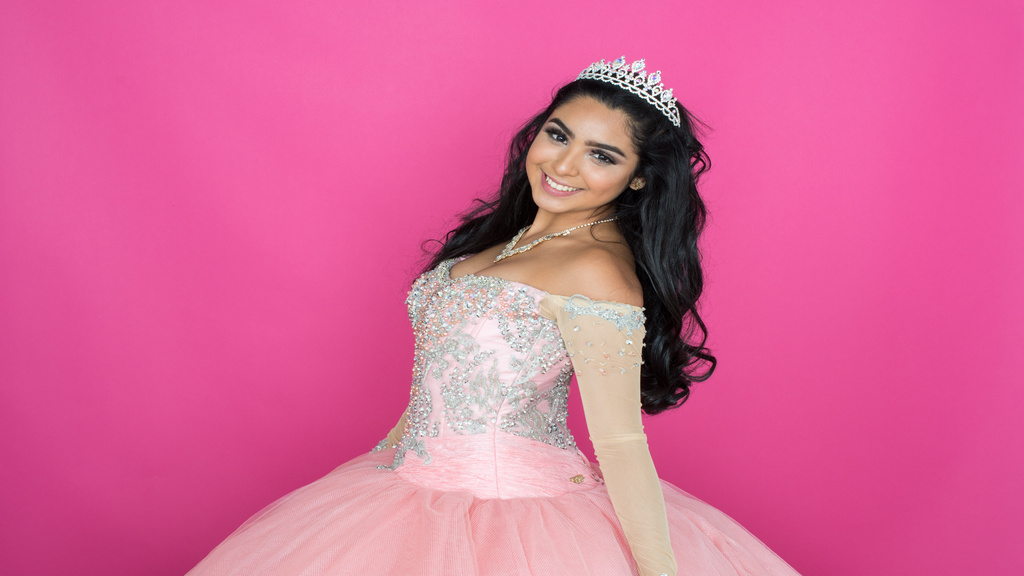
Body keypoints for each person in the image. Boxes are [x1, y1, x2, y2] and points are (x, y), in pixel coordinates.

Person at [186, 56, 800, 576]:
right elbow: (447, 378)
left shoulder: (595, 269)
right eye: (559, 136)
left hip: (517, 516)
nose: (563, 166)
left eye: (601, 156)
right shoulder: (504, 241)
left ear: (639, 178)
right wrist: (378, 463)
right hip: (405, 490)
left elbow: (618, 442)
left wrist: (658, 569)